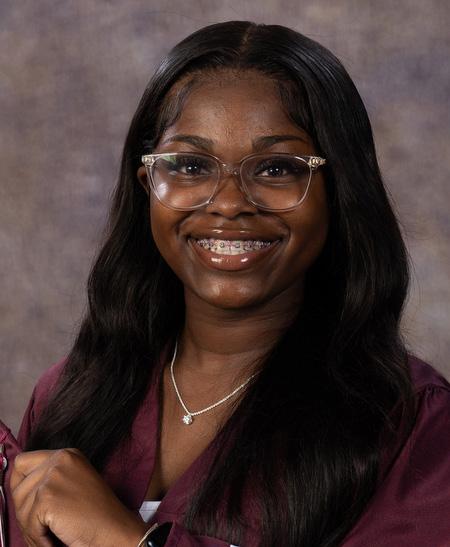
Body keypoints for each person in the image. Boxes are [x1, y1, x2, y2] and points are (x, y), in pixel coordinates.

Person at [7, 20, 450, 547]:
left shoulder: (410, 425)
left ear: (338, 190)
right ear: (148, 184)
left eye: (277, 168)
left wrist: (127, 540)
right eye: (191, 165)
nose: (230, 202)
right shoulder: (70, 393)